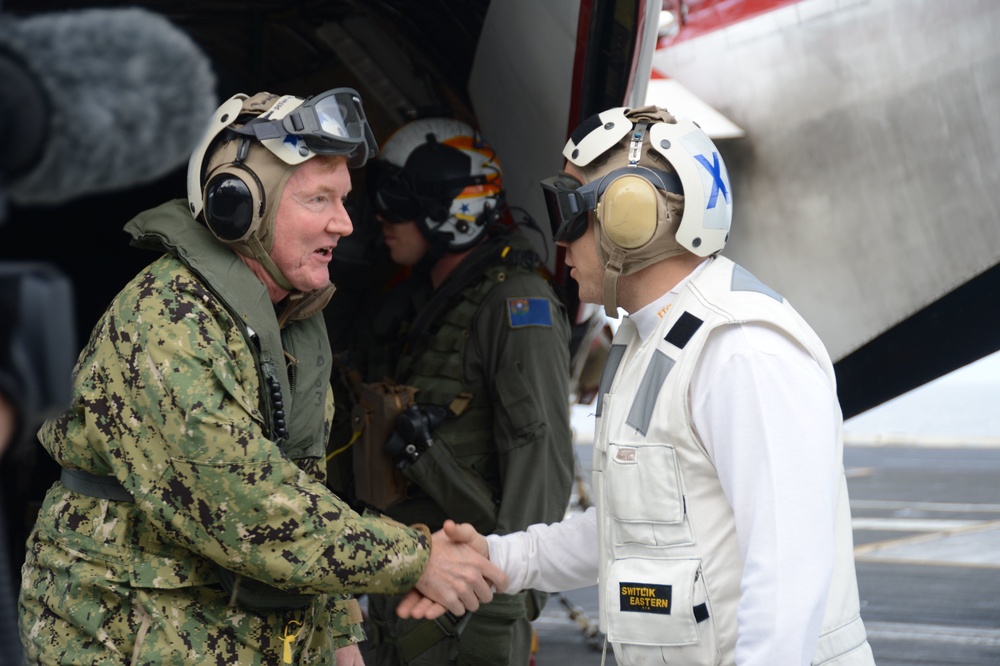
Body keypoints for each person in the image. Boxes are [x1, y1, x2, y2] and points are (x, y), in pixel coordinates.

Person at [17, 90, 506, 665]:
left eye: (344, 199)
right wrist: (420, 558)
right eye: (319, 199)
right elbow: (247, 507)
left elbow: (302, 487)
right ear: (239, 207)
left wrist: (341, 640)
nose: (345, 224)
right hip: (129, 634)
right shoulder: (169, 320)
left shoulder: (290, 320)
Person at [399, 106, 877, 665]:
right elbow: (629, 527)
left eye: (574, 212)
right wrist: (498, 556)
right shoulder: (650, 340)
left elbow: (788, 572)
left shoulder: (743, 351)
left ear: (632, 218)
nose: (560, 243)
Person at [327, 117, 574, 665]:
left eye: (399, 202)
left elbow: (541, 463)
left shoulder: (517, 307)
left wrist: (504, 609)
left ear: (448, 211)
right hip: (406, 585)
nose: (382, 218)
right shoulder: (412, 304)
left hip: (468, 605)